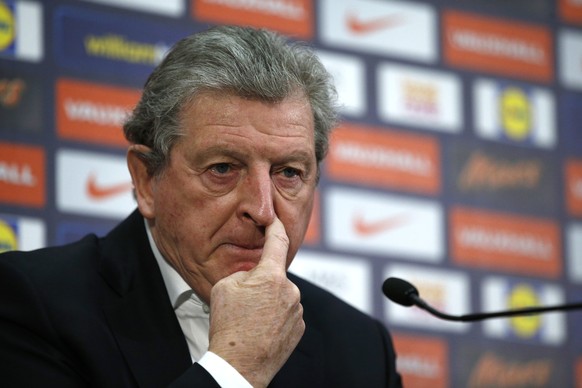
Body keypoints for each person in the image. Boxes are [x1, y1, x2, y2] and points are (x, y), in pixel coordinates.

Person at [0, 25, 402, 387]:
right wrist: (235, 368)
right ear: (146, 181)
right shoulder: (31, 304)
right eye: (223, 168)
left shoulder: (360, 348)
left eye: (289, 172)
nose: (263, 210)